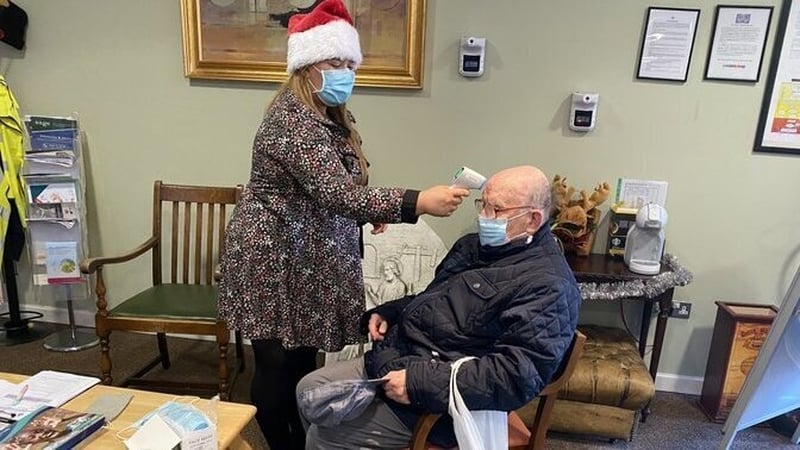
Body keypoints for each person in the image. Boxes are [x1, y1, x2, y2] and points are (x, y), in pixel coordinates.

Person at [216, 1, 469, 449]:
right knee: (275, 364)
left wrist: (370, 210)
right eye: (336, 62)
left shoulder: (331, 116)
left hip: (307, 254)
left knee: (299, 360)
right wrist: (417, 202)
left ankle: (303, 435)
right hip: (273, 258)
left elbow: (332, 186)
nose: (345, 72)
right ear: (307, 65)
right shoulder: (291, 122)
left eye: (350, 63)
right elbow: (336, 195)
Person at [296, 165, 583, 449]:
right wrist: (392, 311)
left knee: (326, 435)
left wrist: (418, 383)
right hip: (400, 356)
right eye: (482, 206)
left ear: (533, 219)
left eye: (497, 210)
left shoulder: (549, 285)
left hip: (440, 400)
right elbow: (434, 299)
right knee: (308, 391)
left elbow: (514, 377)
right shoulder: (473, 247)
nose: (484, 217)